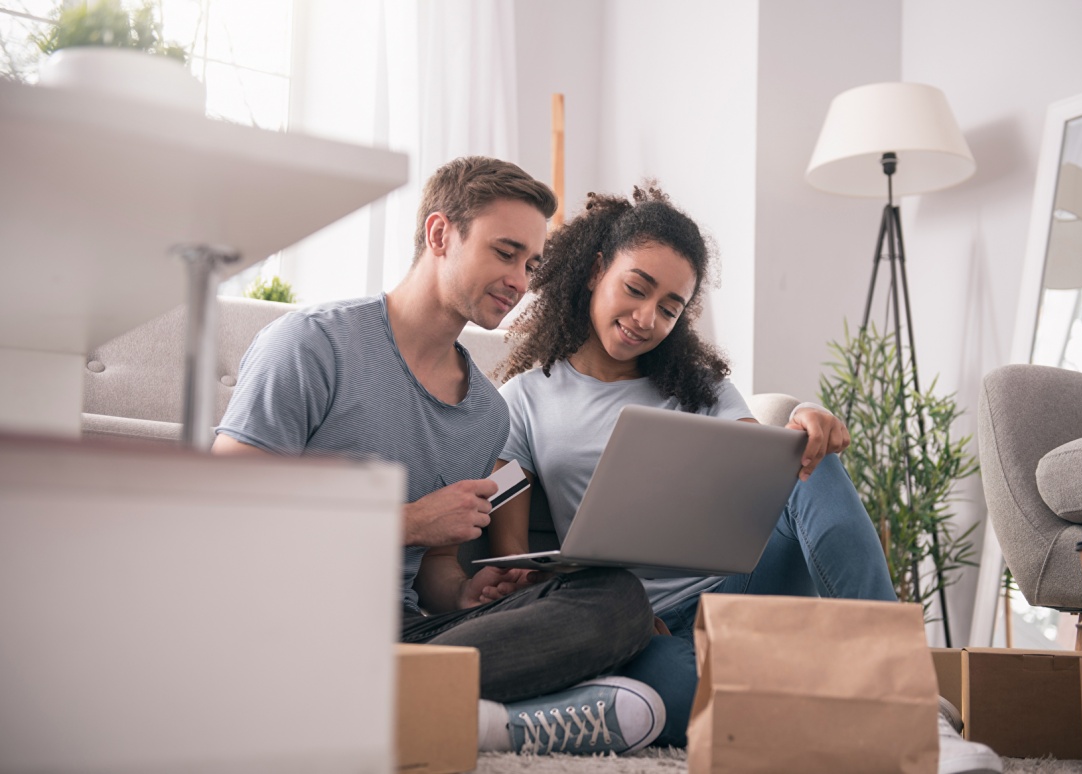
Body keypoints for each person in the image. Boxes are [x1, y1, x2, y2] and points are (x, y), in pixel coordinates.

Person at [488, 184, 1003, 773]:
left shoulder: (698, 387)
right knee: (676, 697)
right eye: (636, 289)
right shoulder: (522, 401)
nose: (645, 318)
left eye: (670, 307)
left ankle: (917, 714)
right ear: (595, 271)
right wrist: (605, 615)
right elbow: (513, 561)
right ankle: (851, 697)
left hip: (741, 594)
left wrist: (804, 422)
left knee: (812, 465)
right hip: (638, 623)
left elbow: (768, 474)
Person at [211, 157, 666, 756]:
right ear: (439, 235)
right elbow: (222, 515)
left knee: (616, 596)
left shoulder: (486, 412)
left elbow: (436, 571)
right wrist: (409, 521)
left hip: (405, 637)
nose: (520, 280)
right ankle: (470, 717)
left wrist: (468, 593)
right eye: (504, 252)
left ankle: (394, 704)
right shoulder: (313, 344)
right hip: (288, 626)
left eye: (530, 264)